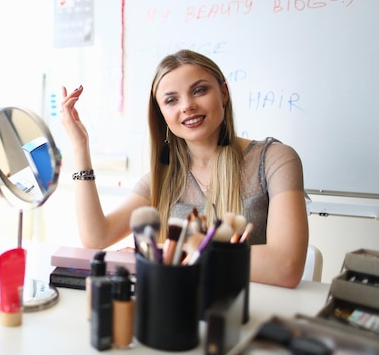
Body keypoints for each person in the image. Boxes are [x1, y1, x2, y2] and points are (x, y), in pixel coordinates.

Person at [60, 49, 308, 288]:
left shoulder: (275, 160)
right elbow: (96, 238)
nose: (187, 106)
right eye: (171, 100)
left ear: (223, 93)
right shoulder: (160, 180)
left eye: (199, 90)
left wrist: (181, 249)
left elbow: (286, 267)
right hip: (180, 309)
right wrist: (80, 147)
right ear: (162, 114)